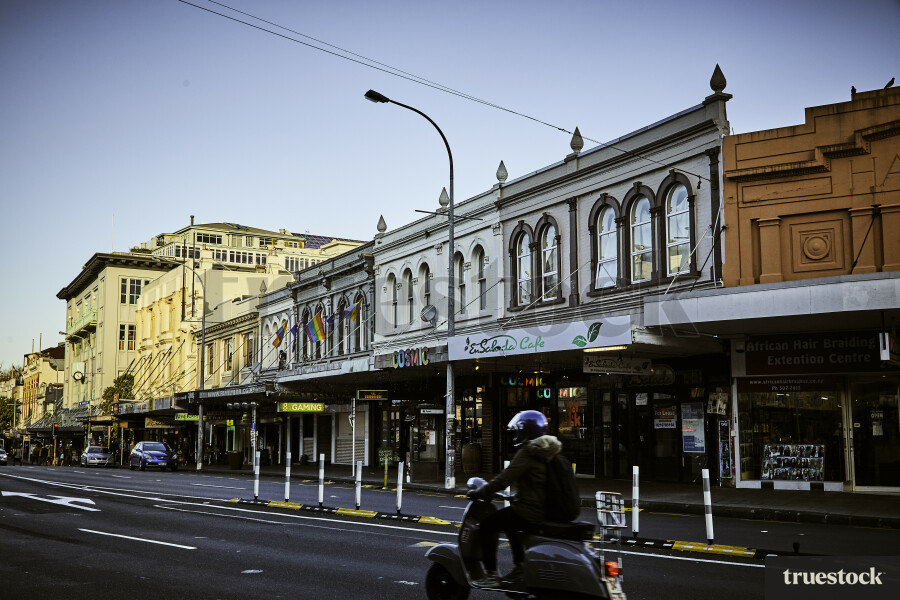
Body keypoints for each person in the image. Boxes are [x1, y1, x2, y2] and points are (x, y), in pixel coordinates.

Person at [469, 410, 562, 587]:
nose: (517, 435)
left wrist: (481, 492)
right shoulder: (549, 451)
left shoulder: (528, 451)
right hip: (542, 509)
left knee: (488, 526)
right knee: (510, 523)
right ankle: (520, 567)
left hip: (529, 510)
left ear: (526, 431)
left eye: (519, 431)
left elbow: (505, 478)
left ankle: (491, 574)